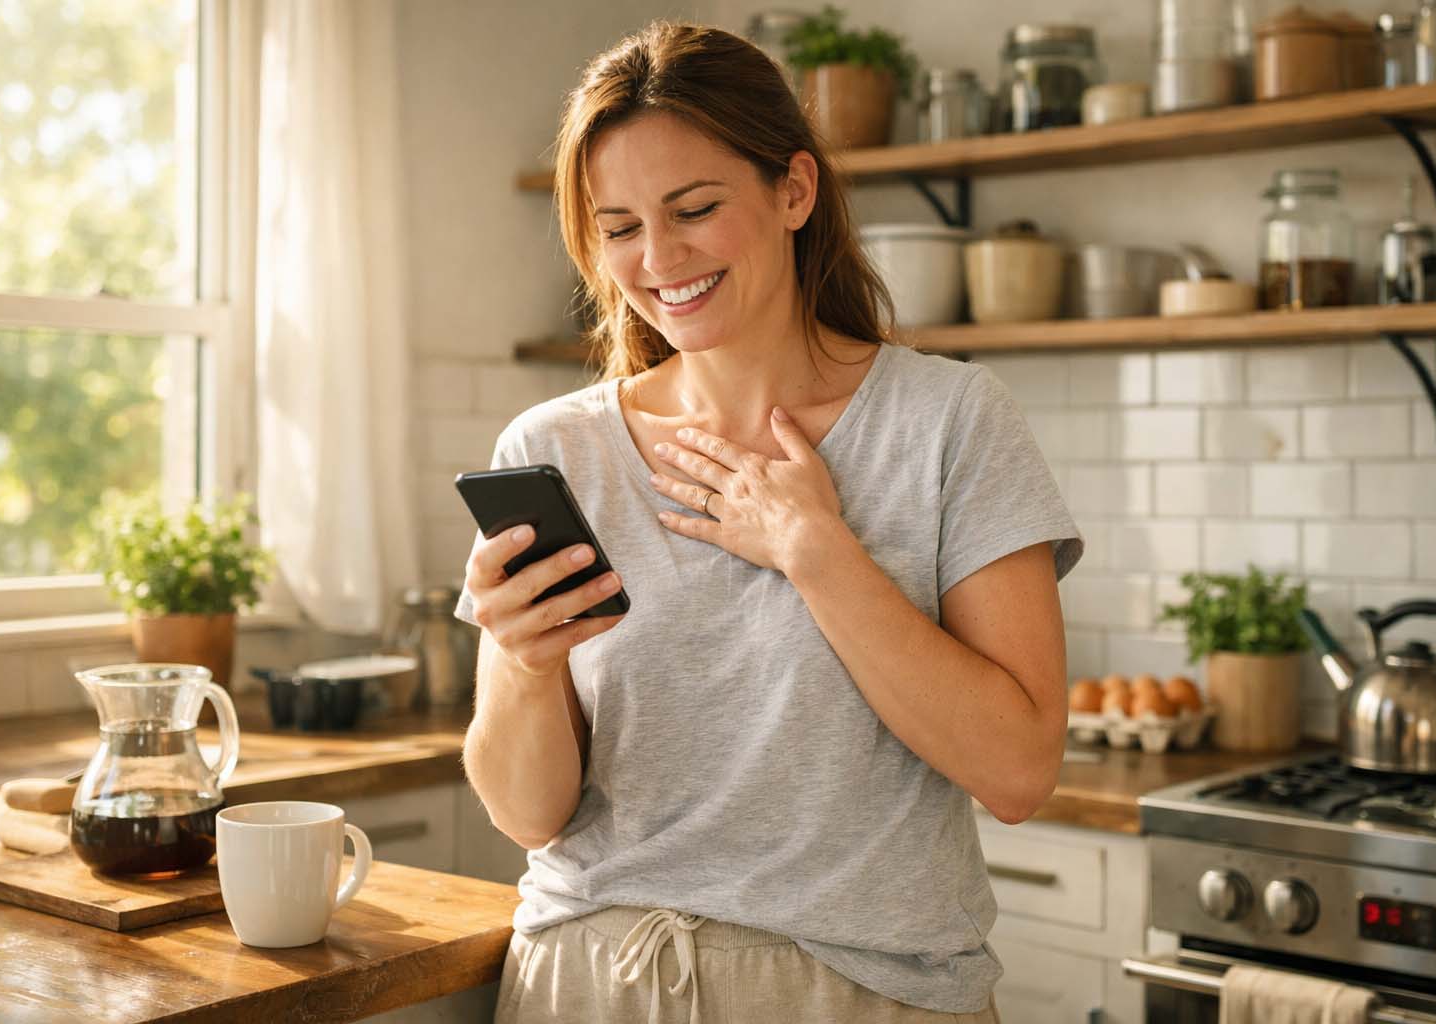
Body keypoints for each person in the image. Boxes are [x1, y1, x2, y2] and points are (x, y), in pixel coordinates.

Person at [455, 21, 1083, 1024]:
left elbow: (1017, 770)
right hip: (597, 984)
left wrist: (817, 552)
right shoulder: (554, 449)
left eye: (695, 208)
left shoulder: (950, 422)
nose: (659, 259)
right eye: (619, 228)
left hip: (866, 995)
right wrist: (527, 665)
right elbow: (528, 814)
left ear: (794, 190)